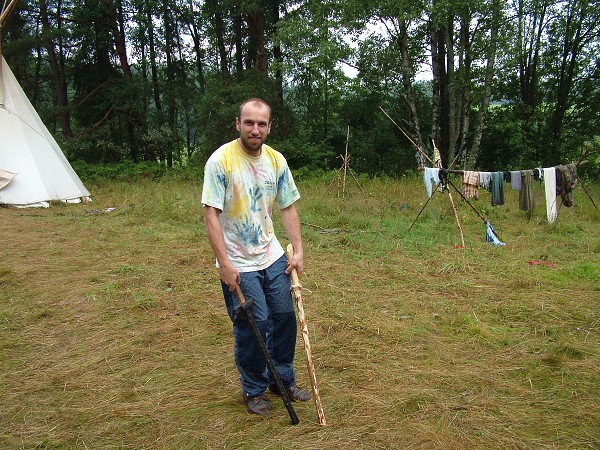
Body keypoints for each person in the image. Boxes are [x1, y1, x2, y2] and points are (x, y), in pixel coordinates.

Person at [201, 98, 311, 416]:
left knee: (284, 318)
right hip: (237, 259)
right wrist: (224, 263)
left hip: (272, 254)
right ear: (238, 124)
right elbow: (211, 214)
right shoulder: (220, 161)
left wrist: (298, 250)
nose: (255, 129)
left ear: (269, 127)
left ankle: (282, 379)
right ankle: (253, 388)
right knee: (255, 323)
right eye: (249, 123)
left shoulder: (276, 161)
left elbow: (287, 206)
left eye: (261, 124)